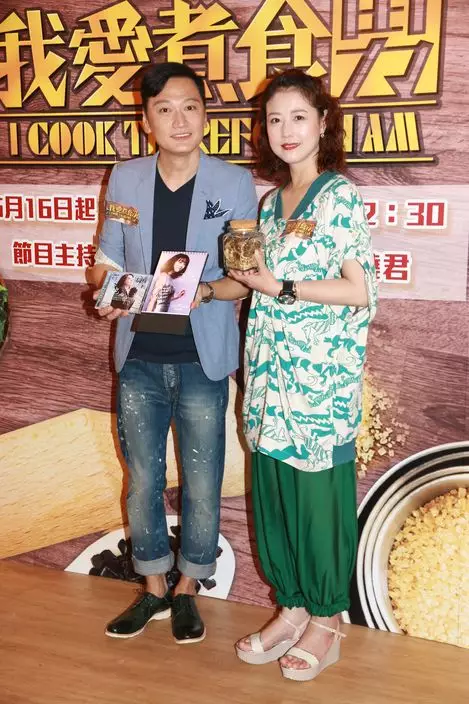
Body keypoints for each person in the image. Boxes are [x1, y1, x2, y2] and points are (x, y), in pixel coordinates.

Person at [88, 61, 257, 645]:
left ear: (205, 115)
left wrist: (203, 291)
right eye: (164, 109)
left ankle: (189, 588)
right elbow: (107, 258)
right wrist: (109, 292)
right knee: (142, 480)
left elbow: (244, 278)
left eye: (190, 107)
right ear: (147, 119)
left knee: (203, 481)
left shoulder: (233, 184)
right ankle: (154, 586)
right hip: (139, 356)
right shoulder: (126, 179)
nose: (179, 120)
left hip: (202, 358)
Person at [230, 69, 378, 681]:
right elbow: (259, 285)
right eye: (274, 119)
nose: (285, 130)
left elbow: (360, 290)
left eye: (298, 116)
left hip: (319, 387)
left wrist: (282, 285)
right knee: (275, 497)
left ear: (322, 123)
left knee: (317, 503)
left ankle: (326, 617)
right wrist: (238, 279)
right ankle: (291, 606)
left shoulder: (338, 196)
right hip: (270, 380)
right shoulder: (269, 205)